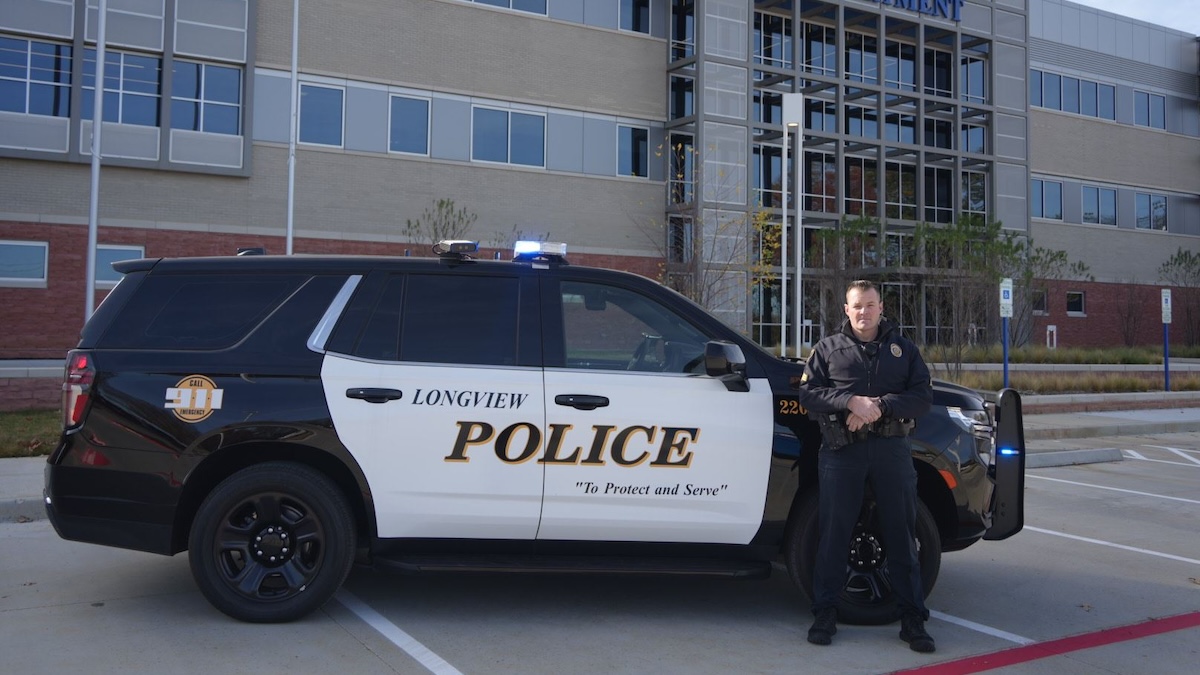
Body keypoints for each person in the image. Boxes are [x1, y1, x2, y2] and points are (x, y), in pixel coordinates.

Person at [795, 280, 936, 653]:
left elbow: (922, 397)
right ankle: (825, 612)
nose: (864, 312)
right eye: (857, 306)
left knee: (902, 534)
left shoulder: (903, 350)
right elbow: (808, 394)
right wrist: (850, 402)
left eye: (870, 305)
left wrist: (878, 408)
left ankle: (912, 619)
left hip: (891, 450)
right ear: (846, 309)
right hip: (842, 454)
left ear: (880, 307)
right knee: (834, 534)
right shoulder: (828, 349)